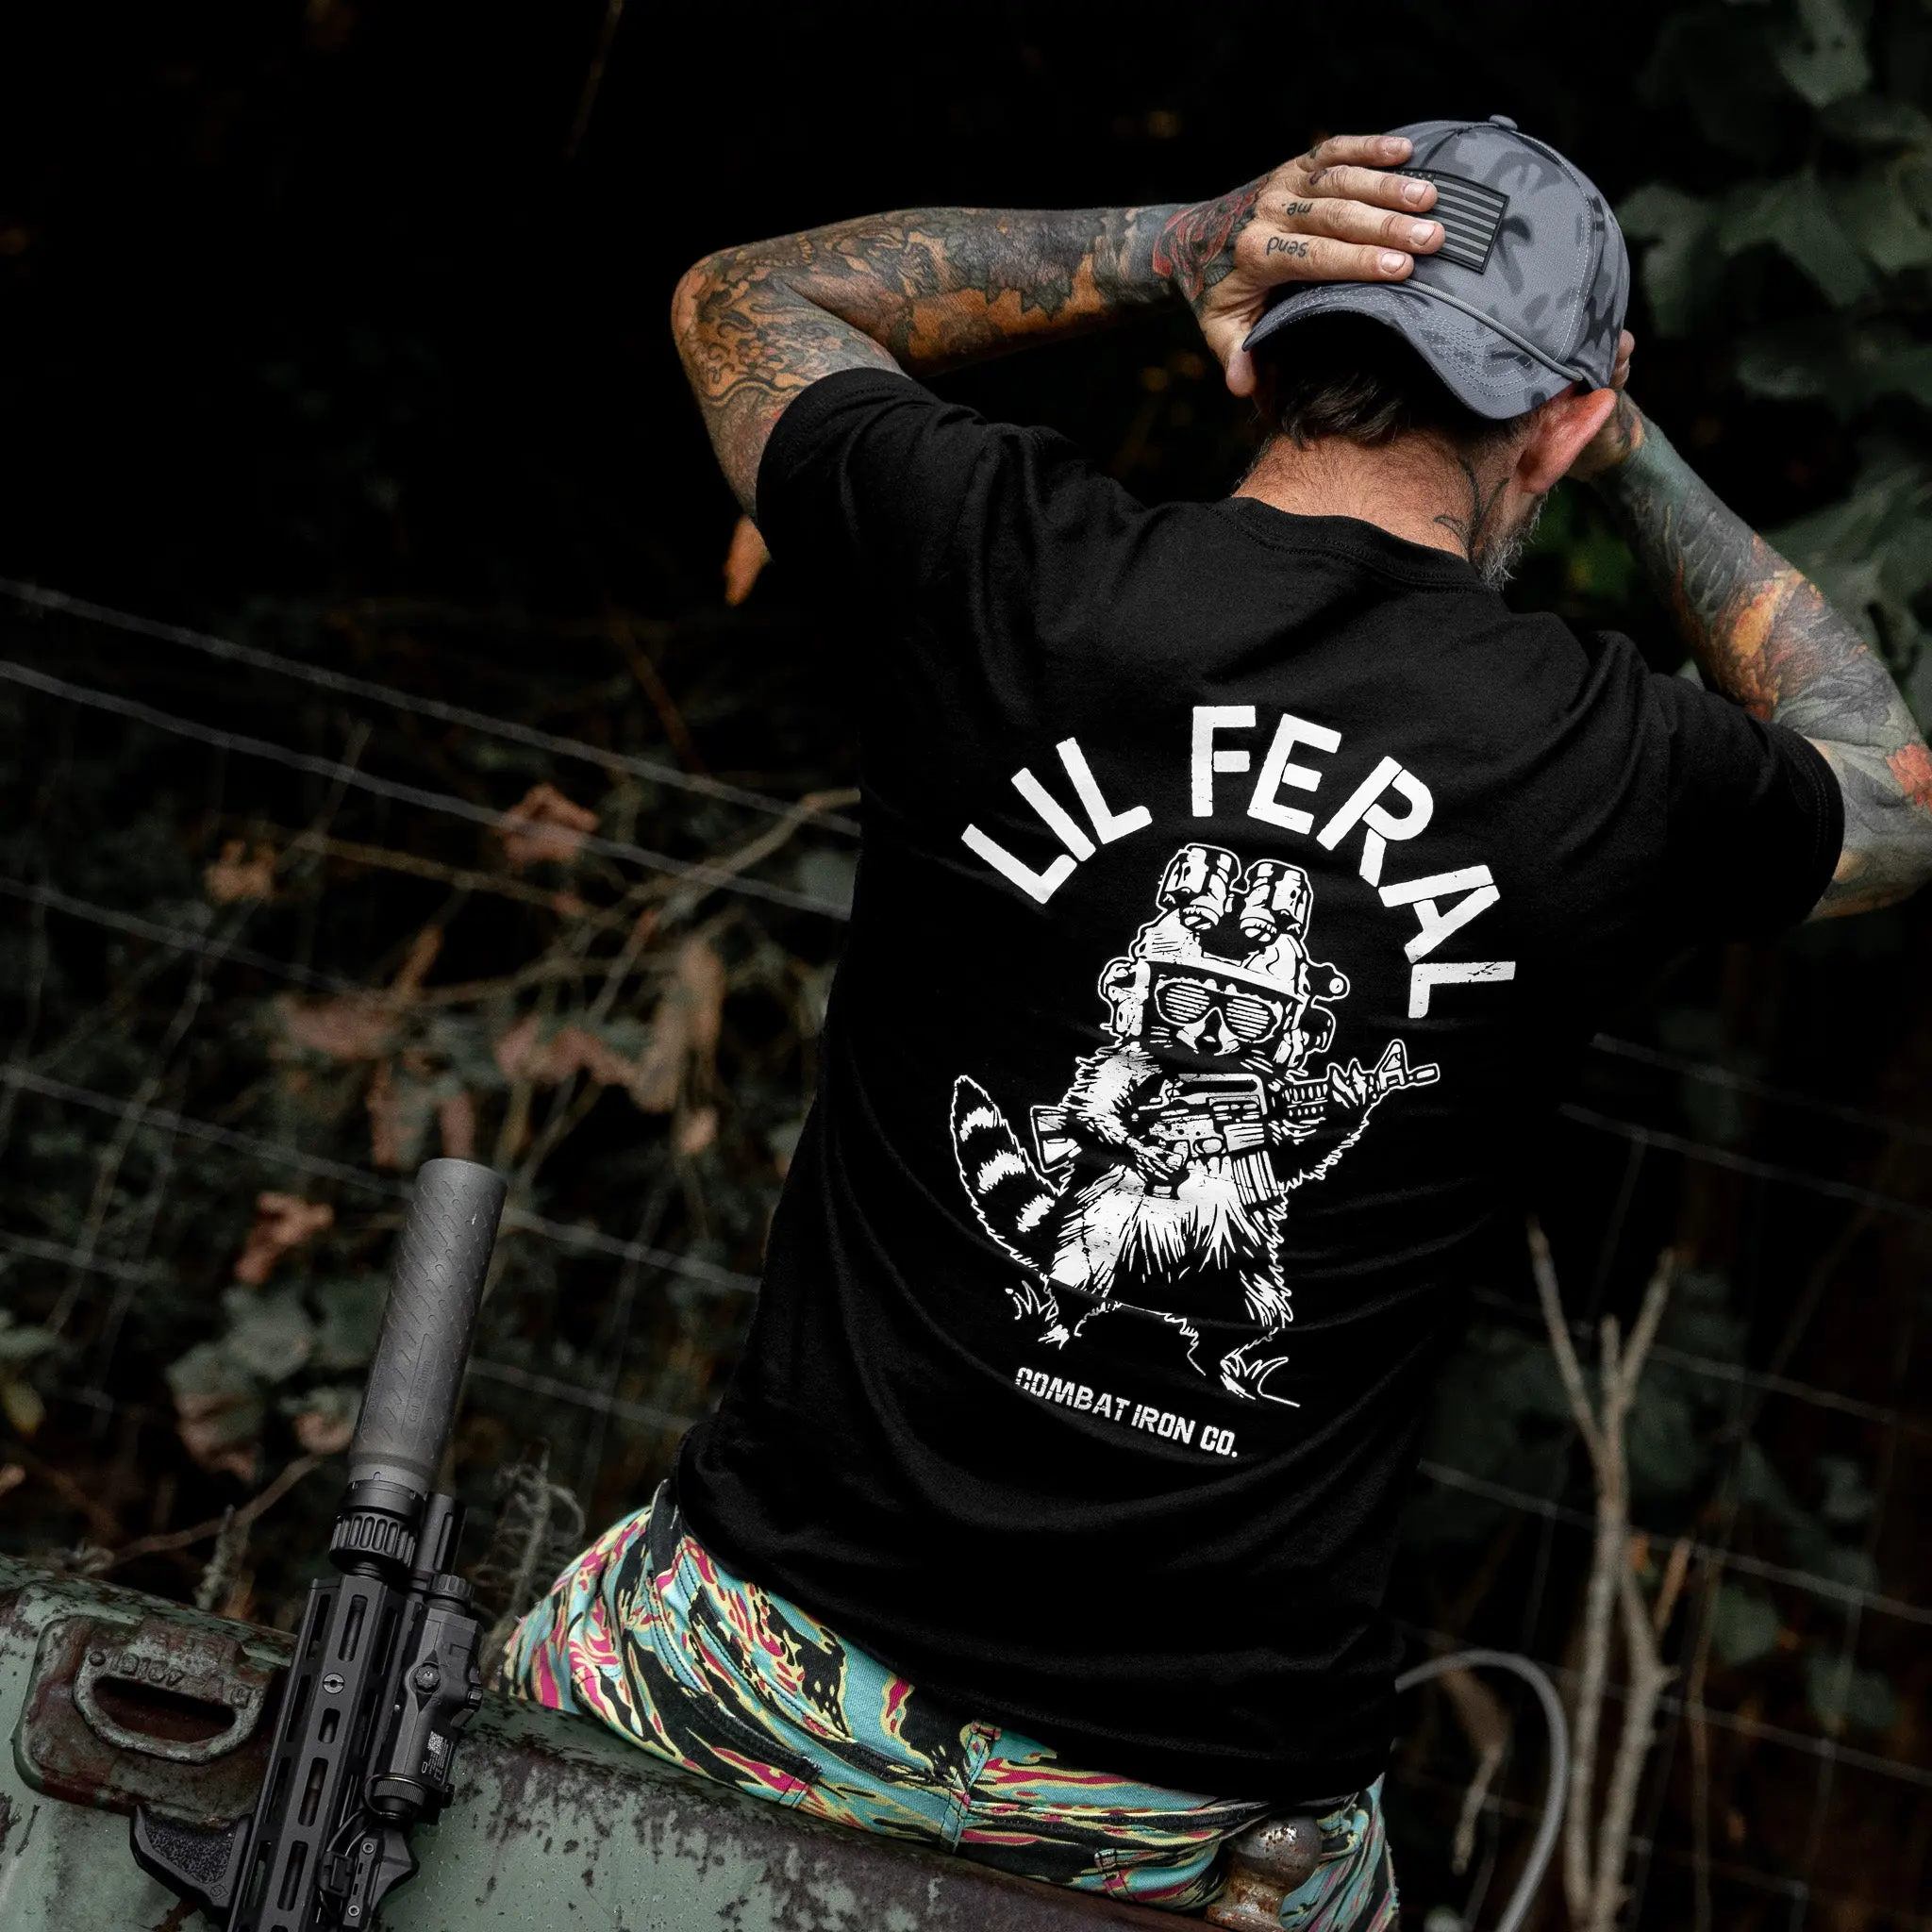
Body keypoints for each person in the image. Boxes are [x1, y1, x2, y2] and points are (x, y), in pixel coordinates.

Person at [503, 120, 1932, 1927]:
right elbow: (1892, 793)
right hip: (1196, 1814)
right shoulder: (1608, 759)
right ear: (1558, 424)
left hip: (764, 1677)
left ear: (1260, 348)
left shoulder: (1007, 559)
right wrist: (1625, 434)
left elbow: (742, 299)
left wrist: (1172, 241)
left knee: (468, 1762)